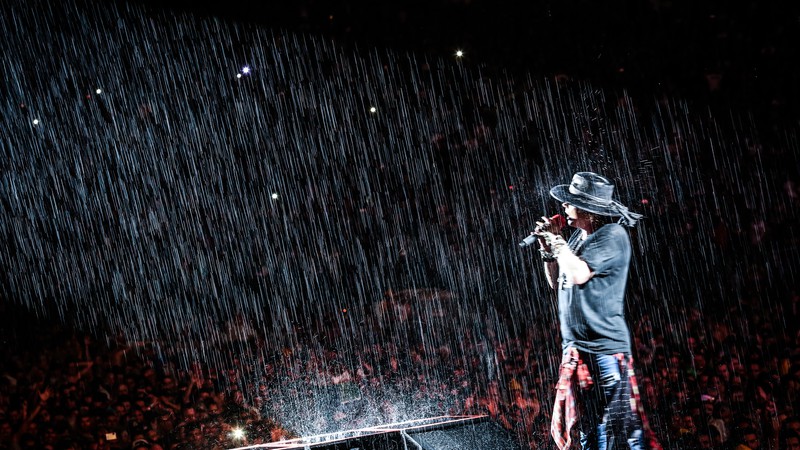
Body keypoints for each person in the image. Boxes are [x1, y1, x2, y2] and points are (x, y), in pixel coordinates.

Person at [533, 172, 649, 450]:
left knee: (609, 428)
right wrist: (548, 248)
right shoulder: (576, 239)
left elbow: (579, 274)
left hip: (603, 349)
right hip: (578, 348)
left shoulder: (611, 235)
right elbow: (557, 282)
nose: (563, 207)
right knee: (588, 426)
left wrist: (558, 244)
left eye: (569, 202)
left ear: (587, 209)